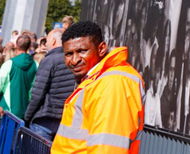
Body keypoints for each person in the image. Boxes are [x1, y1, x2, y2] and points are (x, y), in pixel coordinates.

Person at [49, 21, 143, 154]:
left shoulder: (113, 83)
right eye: (69, 54)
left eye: (82, 51)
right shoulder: (98, 79)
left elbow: (108, 148)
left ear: (101, 48)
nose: (75, 60)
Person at [24, 31, 79, 140]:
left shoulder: (49, 60)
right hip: (64, 120)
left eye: (47, 41)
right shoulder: (73, 59)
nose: (46, 44)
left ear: (53, 41)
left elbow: (37, 94)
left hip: (44, 121)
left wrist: (27, 117)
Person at [0, 34, 38, 120]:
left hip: (7, 111)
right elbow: (34, 90)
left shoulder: (9, 64)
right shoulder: (35, 65)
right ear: (29, 46)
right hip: (24, 111)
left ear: (16, 45)